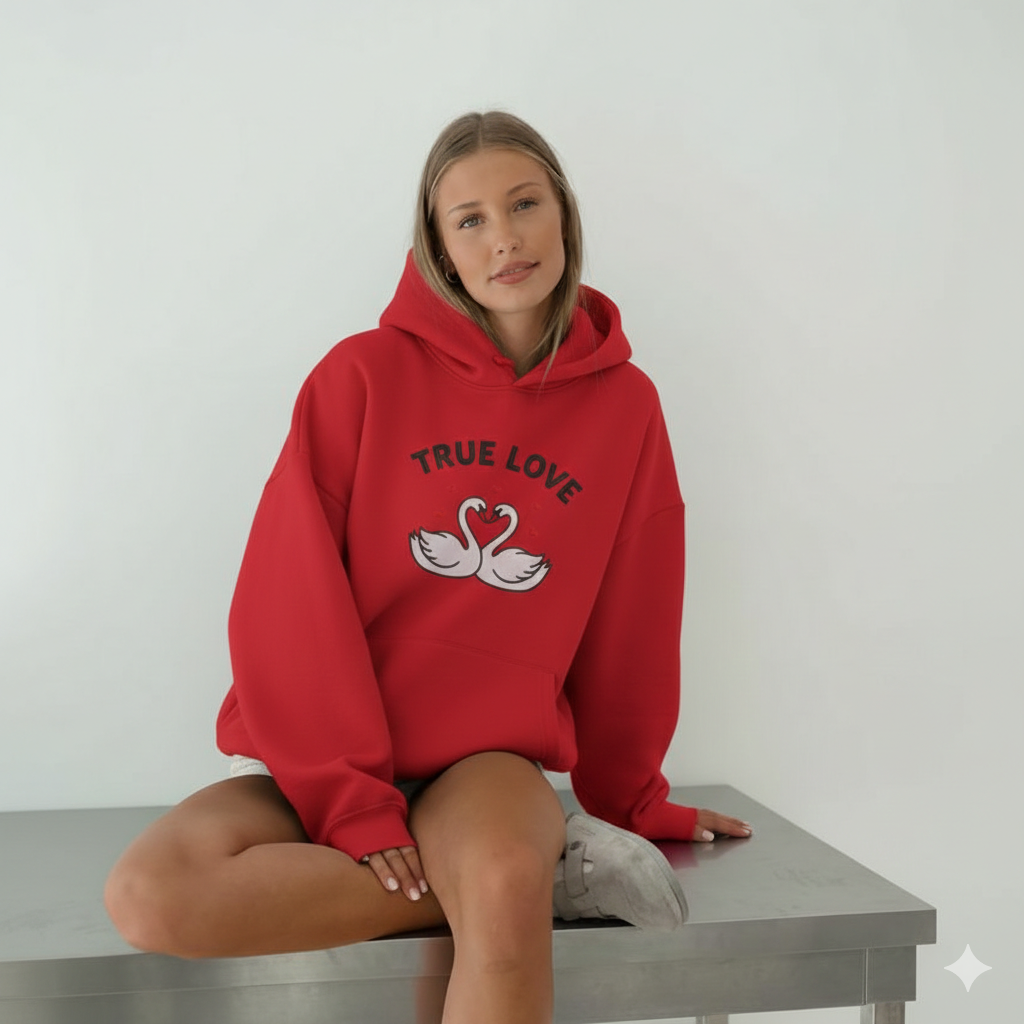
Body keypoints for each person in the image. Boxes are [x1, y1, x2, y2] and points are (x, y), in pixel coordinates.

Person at [104, 110, 752, 1024]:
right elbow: (287, 600)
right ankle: (546, 882)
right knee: (153, 896)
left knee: (496, 878)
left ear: (564, 214)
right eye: (470, 219)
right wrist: (350, 800)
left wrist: (634, 799)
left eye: (524, 204)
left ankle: (510, 877)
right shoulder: (361, 377)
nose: (505, 238)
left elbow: (634, 618)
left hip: (487, 766)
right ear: (439, 249)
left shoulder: (627, 406)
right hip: (330, 759)